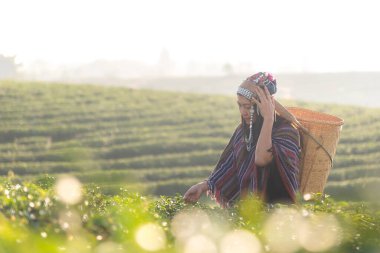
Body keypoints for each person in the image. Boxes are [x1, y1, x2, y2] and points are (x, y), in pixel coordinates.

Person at [183, 72, 301, 207]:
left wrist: (268, 119)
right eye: (240, 105)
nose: (243, 112)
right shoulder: (243, 132)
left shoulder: (286, 131)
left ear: (263, 104)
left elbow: (262, 159)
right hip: (247, 212)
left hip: (278, 212)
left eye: (248, 107)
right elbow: (229, 165)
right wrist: (203, 186)